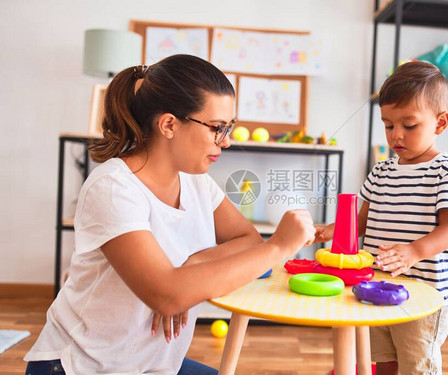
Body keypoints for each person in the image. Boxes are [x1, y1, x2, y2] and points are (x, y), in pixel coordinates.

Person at [25, 54, 315, 375]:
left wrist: (193, 265)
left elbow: (245, 239)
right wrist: (277, 247)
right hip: (81, 366)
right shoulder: (113, 188)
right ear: (168, 124)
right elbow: (167, 296)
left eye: (229, 127)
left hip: (150, 366)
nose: (227, 141)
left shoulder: (197, 183)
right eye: (217, 128)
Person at [315, 61, 448, 375]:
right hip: (378, 285)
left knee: (416, 364)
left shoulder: (446, 170)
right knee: (382, 359)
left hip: (423, 297)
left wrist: (414, 251)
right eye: (388, 125)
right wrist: (330, 231)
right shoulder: (381, 171)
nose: (396, 135)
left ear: (440, 123)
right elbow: (361, 221)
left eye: (409, 125)